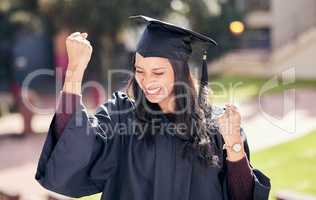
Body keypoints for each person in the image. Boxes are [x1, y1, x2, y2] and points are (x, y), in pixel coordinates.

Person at [35, 15, 271, 200]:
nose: (147, 82)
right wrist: (75, 72)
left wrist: (234, 146)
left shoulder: (216, 124)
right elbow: (74, 152)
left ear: (180, 73)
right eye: (139, 71)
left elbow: (242, 196)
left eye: (158, 72)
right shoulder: (122, 116)